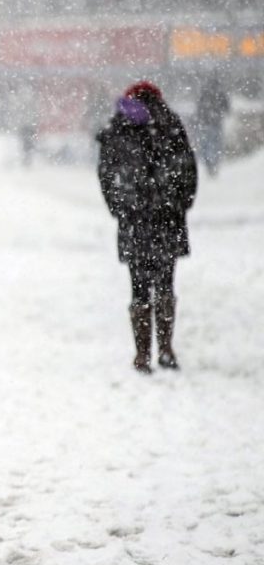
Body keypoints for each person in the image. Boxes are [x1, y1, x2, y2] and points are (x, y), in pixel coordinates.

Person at [96, 81, 197, 373]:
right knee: (165, 283)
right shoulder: (170, 123)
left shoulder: (119, 126)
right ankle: (165, 348)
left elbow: (106, 172)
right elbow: (187, 168)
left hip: (134, 219)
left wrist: (119, 207)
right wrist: (179, 203)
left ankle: (142, 355)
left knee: (138, 287)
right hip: (168, 219)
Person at [195, 75, 230, 178]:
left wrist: (200, 118)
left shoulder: (204, 93)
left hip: (205, 123)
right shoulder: (220, 93)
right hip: (216, 123)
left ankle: (209, 165)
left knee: (206, 144)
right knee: (216, 144)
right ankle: (214, 164)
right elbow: (227, 108)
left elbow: (199, 108)